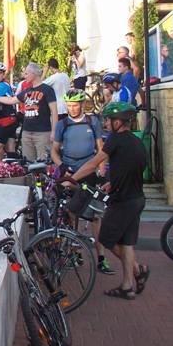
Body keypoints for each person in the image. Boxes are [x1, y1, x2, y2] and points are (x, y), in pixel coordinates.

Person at [66, 102, 149, 299]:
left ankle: (137, 269)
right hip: (137, 198)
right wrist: (114, 182)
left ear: (118, 122)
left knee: (105, 238)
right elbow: (135, 166)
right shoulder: (135, 141)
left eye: (108, 120)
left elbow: (93, 164)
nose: (105, 123)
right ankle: (128, 286)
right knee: (126, 243)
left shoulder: (115, 139)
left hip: (122, 201)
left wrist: (71, 180)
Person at [51, 89, 112, 274]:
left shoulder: (92, 121)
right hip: (70, 173)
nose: (72, 109)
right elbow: (54, 150)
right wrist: (61, 165)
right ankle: (76, 253)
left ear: (83, 104)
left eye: (75, 105)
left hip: (90, 172)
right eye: (69, 105)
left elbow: (100, 148)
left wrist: (102, 170)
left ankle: (101, 258)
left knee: (96, 216)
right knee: (72, 213)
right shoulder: (62, 124)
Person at [0, 62, 58, 162]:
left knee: (44, 162)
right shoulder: (27, 91)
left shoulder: (47, 90)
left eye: (26, 73)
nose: (24, 76)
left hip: (42, 133)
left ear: (34, 73)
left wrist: (54, 132)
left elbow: (54, 111)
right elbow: (12, 100)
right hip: (27, 132)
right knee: (28, 162)